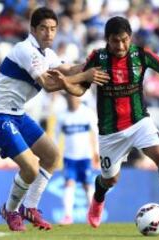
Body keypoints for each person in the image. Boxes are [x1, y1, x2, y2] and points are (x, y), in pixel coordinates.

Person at [53, 16, 159, 228]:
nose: (120, 45)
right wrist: (67, 84)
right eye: (115, 41)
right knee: (110, 180)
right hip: (111, 132)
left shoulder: (141, 55)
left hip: (140, 122)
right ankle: (98, 199)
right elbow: (80, 89)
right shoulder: (98, 58)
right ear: (107, 40)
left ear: (130, 38)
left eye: (124, 40)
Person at [0, 7, 109, 232]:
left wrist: (94, 62)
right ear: (33, 29)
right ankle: (10, 210)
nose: (49, 33)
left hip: (17, 114)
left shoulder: (47, 54)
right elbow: (49, 85)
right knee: (30, 167)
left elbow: (69, 69)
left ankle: (30, 207)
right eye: (43, 28)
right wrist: (85, 76)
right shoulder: (25, 50)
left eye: (53, 29)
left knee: (52, 156)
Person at [55, 94, 99, 225]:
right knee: (69, 183)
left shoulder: (87, 113)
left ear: (79, 98)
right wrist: (55, 154)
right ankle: (68, 216)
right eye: (69, 97)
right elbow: (56, 137)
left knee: (87, 184)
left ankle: (93, 215)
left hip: (85, 156)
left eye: (74, 97)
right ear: (66, 98)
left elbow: (96, 132)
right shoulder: (62, 116)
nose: (72, 99)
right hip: (69, 157)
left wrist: (97, 151)